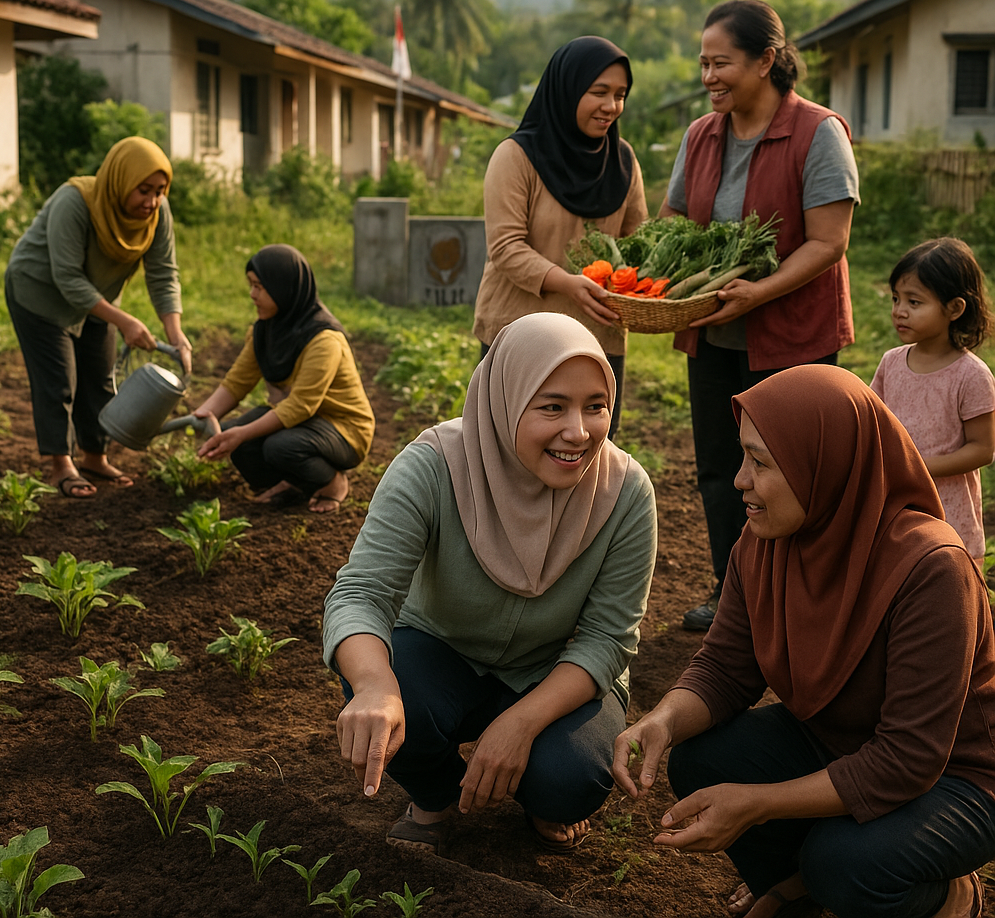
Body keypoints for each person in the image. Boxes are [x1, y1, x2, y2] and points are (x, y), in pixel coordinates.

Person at [613, 366, 995, 918]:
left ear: (827, 466)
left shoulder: (931, 568)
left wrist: (758, 805)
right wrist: (663, 720)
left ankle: (949, 896)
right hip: (841, 741)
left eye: (761, 463)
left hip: (957, 779)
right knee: (702, 759)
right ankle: (795, 885)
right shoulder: (764, 538)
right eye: (742, 457)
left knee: (846, 863)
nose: (740, 479)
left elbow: (909, 759)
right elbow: (725, 667)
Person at [322, 313, 656, 854]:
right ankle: (435, 795)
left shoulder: (626, 494)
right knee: (389, 688)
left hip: (552, 672)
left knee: (569, 781)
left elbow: (607, 639)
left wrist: (520, 723)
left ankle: (540, 794)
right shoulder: (434, 466)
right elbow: (362, 593)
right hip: (442, 652)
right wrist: (374, 685)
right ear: (504, 400)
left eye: (596, 406)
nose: (579, 431)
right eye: (552, 406)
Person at [663, 0, 860, 632]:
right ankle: (735, 595)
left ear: (766, 60)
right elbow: (673, 222)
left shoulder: (817, 131)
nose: (708, 77)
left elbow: (829, 242)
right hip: (716, 332)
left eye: (721, 63)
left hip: (792, 335)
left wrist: (761, 291)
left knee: (794, 472)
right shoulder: (700, 135)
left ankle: (804, 603)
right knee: (721, 469)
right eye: (703, 64)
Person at [472, 36, 648, 438]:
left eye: (620, 95)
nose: (611, 106)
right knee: (509, 454)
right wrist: (569, 285)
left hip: (595, 334)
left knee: (587, 456)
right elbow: (506, 247)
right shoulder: (517, 156)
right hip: (520, 330)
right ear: (567, 89)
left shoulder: (622, 160)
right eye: (598, 92)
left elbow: (638, 240)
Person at [5, 136, 190, 499]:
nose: (151, 201)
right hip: (40, 292)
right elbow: (67, 278)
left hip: (97, 298)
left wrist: (176, 334)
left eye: (160, 190)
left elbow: (163, 272)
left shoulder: (157, 213)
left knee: (101, 374)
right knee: (59, 381)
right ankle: (62, 464)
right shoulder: (74, 202)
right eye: (143, 190)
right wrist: (124, 321)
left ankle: (94, 457)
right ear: (122, 180)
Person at [193, 244, 374, 513]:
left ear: (283, 288)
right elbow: (237, 382)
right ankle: (296, 482)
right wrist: (203, 416)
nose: (252, 295)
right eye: (251, 285)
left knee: (279, 447)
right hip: (302, 422)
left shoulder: (324, 339)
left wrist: (240, 434)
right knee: (243, 446)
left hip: (344, 429)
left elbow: (301, 405)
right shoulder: (265, 331)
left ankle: (334, 482)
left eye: (260, 287)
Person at [871, 237, 995, 571]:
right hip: (896, 504)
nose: (899, 310)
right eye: (896, 298)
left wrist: (917, 466)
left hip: (948, 512)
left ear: (954, 309)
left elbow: (983, 450)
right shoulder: (891, 363)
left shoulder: (972, 375)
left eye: (914, 301)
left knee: (950, 592)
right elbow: (873, 424)